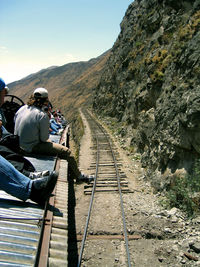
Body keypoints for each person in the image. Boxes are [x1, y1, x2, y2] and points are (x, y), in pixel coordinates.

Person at [14, 87, 93, 181]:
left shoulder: (21, 109)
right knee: (66, 151)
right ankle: (79, 176)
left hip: (18, 146)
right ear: (46, 101)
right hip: (31, 147)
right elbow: (44, 139)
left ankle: (74, 175)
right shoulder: (41, 115)